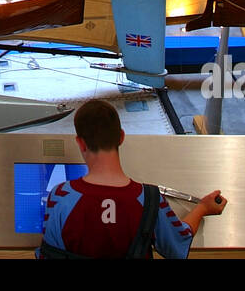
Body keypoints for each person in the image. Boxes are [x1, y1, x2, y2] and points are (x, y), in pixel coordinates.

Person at [39, 99, 226, 259]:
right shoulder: (150, 199)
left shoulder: (60, 197)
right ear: (121, 137)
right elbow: (177, 242)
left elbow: (48, 254)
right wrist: (202, 208)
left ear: (80, 142)